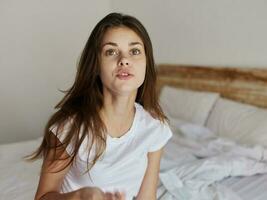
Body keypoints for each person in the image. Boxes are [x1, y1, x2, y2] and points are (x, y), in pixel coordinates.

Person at [29, 12, 173, 200]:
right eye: (111, 52)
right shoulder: (70, 127)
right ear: (96, 65)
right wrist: (80, 197)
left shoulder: (154, 128)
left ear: (147, 62)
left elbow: (147, 197)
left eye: (135, 51)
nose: (124, 60)